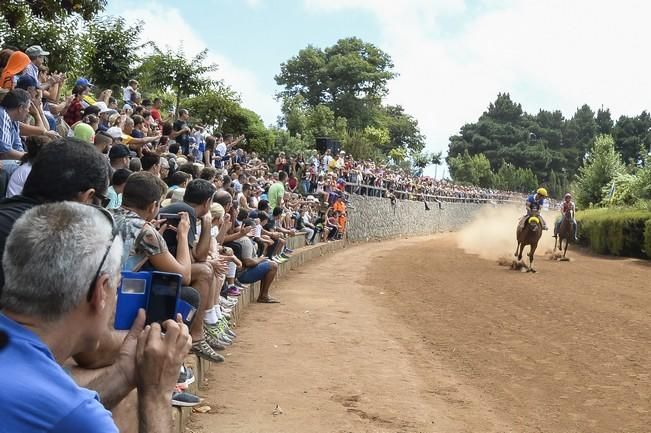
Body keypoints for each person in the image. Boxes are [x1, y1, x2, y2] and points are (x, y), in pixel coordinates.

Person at [0, 201, 191, 433]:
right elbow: (67, 416)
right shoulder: (76, 414)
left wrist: (123, 373)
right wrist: (156, 394)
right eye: (117, 286)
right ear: (101, 291)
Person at [235, 218, 280, 303]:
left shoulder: (246, 239)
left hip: (242, 272)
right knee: (273, 265)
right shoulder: (245, 240)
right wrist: (260, 259)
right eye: (253, 229)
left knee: (267, 263)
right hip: (243, 274)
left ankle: (263, 295)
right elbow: (248, 262)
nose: (255, 231)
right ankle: (264, 295)